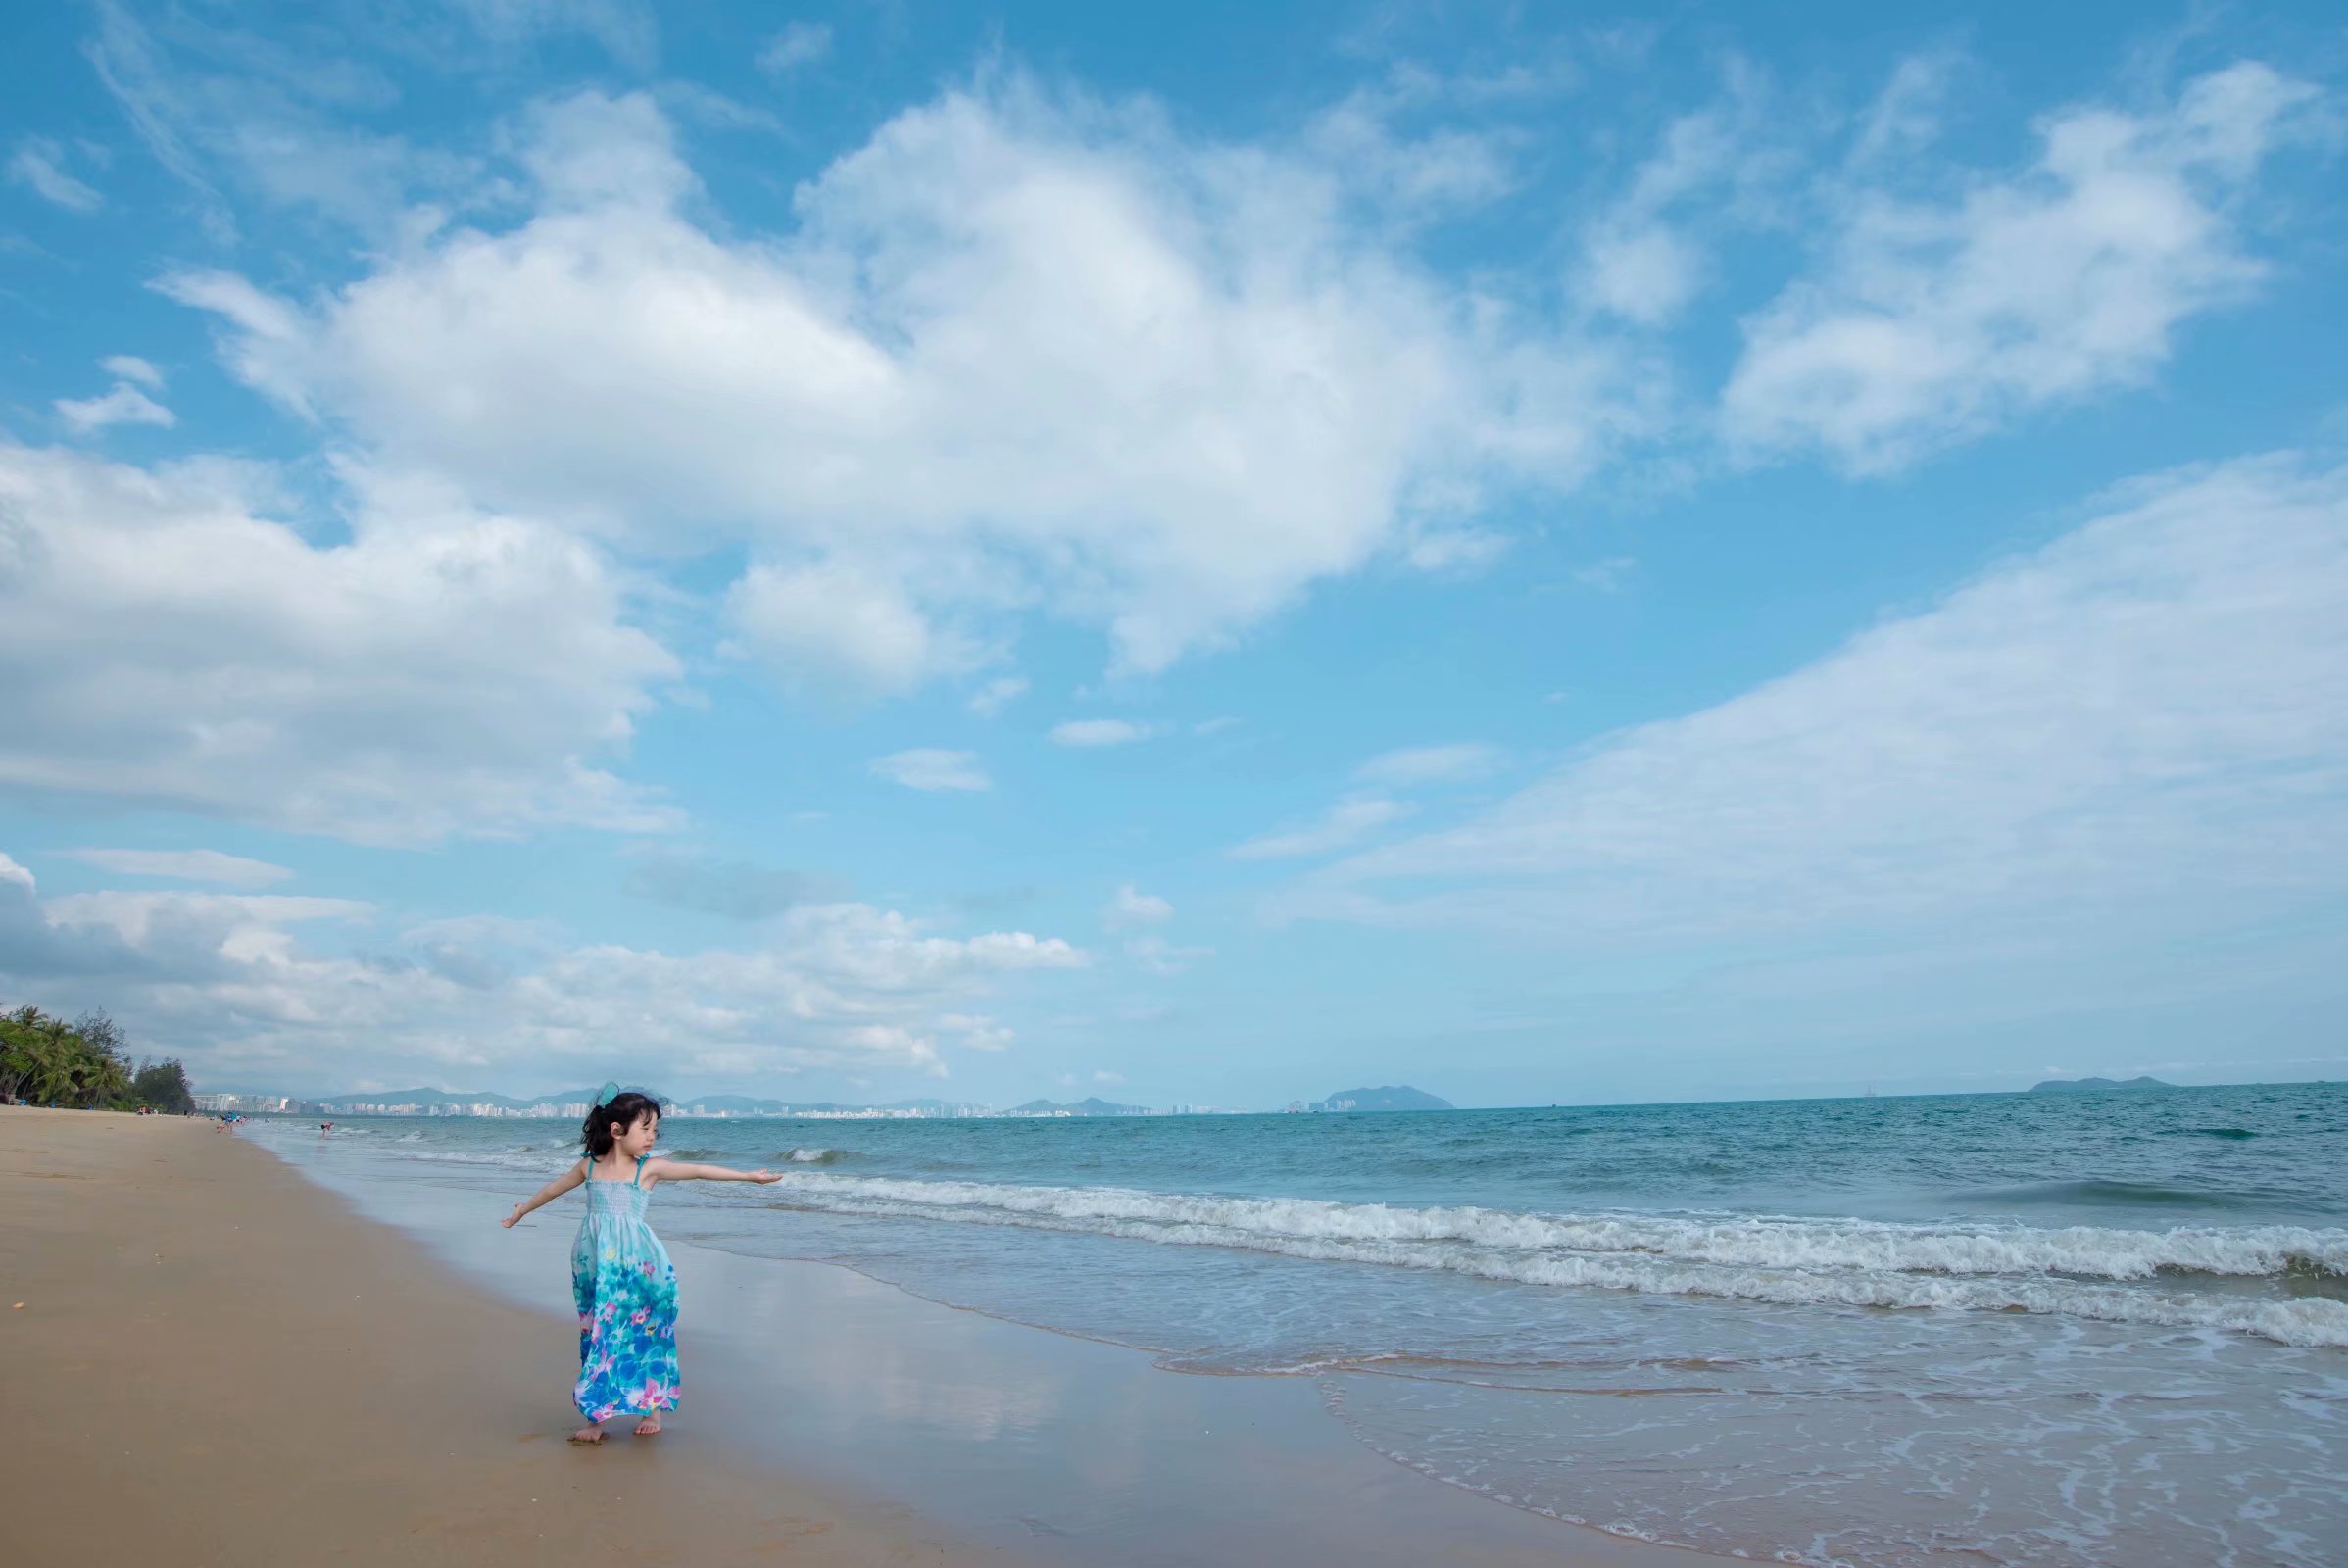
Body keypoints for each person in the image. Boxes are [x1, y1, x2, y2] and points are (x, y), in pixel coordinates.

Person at [499, 1084, 780, 1443]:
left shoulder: (648, 1170)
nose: (652, 1137)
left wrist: (748, 1178)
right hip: (595, 1264)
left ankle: (652, 1407)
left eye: (655, 1130)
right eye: (645, 1129)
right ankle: (595, 1415)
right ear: (617, 1130)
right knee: (597, 1332)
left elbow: (697, 1170)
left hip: (640, 1265)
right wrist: (522, 1210)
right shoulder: (589, 1166)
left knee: (646, 1329)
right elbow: (552, 1190)